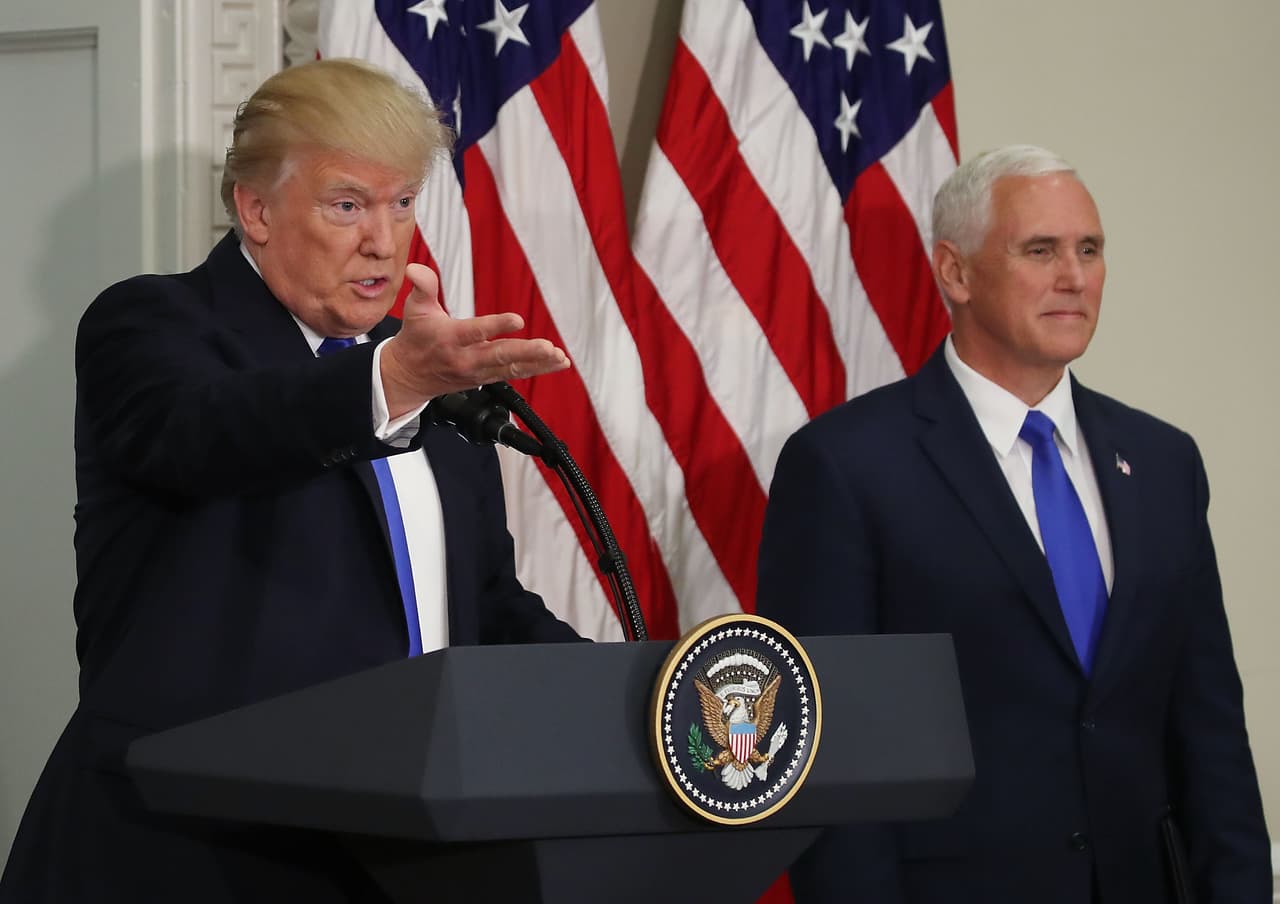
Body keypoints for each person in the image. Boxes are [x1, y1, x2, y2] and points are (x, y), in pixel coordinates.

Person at [1, 59, 582, 902]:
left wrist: (639, 695)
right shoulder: (154, 326)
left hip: (397, 858)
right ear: (257, 209)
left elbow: (481, 611)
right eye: (348, 204)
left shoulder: (424, 382)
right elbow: (212, 433)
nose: (383, 239)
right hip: (183, 858)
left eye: (403, 203)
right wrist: (393, 384)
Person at [756, 145, 1270, 902]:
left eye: (1089, 250)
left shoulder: (1163, 462)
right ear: (955, 272)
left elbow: (1210, 733)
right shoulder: (845, 467)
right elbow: (828, 761)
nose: (1075, 277)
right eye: (1041, 250)